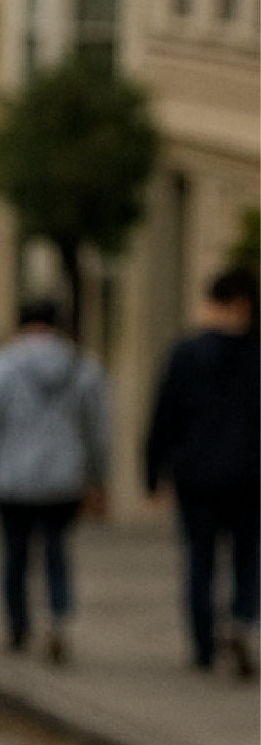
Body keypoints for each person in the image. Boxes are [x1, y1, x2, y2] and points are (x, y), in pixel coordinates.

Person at [0, 297, 110, 662]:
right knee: (57, 550)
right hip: (64, 479)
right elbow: (97, 430)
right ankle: (58, 618)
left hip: (12, 480)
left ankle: (18, 626)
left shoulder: (1, 367)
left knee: (15, 554)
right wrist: (99, 478)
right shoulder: (83, 367)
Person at [143, 265, 261, 675]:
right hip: (249, 475)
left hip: (196, 475)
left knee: (200, 561)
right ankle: (242, 620)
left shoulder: (186, 354)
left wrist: (153, 473)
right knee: (248, 558)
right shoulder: (256, 356)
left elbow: (164, 416)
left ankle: (204, 644)